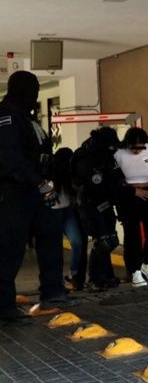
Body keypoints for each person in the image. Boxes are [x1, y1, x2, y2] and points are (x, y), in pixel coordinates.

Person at [0, 71, 76, 324]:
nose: (34, 95)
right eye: (31, 90)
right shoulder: (6, 117)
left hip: (36, 191)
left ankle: (53, 293)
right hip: (14, 192)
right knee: (10, 249)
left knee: (51, 238)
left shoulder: (25, 117)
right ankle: (4, 305)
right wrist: (39, 181)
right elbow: (10, 157)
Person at [72, 126, 128, 292]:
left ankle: (106, 276)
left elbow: (117, 177)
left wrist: (120, 192)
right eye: (110, 146)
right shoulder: (85, 158)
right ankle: (94, 279)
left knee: (112, 240)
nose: (113, 149)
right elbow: (91, 186)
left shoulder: (108, 157)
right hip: (90, 204)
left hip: (106, 202)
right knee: (102, 241)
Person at [114, 127, 148, 287]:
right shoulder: (119, 154)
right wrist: (133, 191)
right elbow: (116, 179)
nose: (137, 151)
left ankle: (147, 261)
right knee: (133, 234)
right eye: (134, 147)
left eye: (140, 147)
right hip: (129, 195)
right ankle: (134, 270)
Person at [51, 147, 87, 291]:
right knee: (55, 249)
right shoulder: (51, 175)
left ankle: (73, 273)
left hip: (67, 212)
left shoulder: (68, 176)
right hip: (53, 213)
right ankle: (60, 279)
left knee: (77, 242)